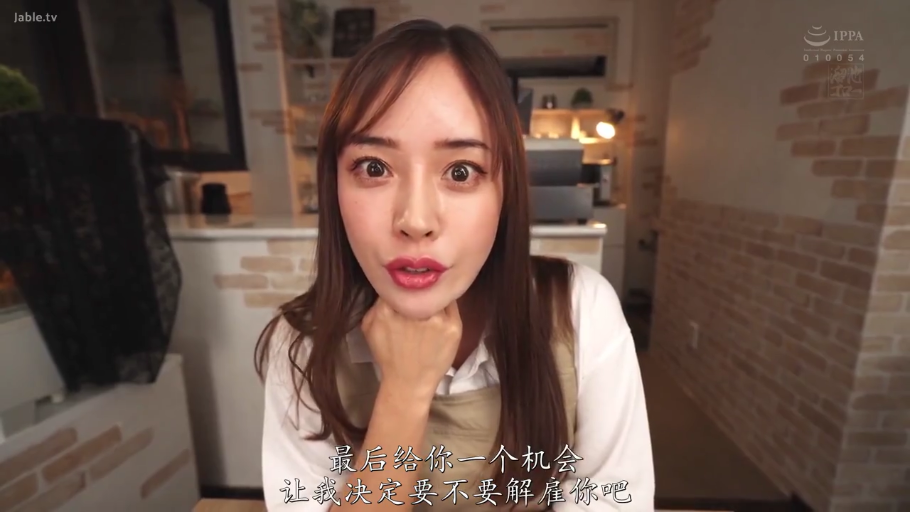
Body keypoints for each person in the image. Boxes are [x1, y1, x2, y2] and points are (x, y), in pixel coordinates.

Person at [256, 18, 654, 511]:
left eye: (461, 172)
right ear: (333, 184)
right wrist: (404, 392)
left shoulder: (579, 310)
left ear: (505, 191)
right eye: (374, 167)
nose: (416, 221)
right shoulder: (301, 345)